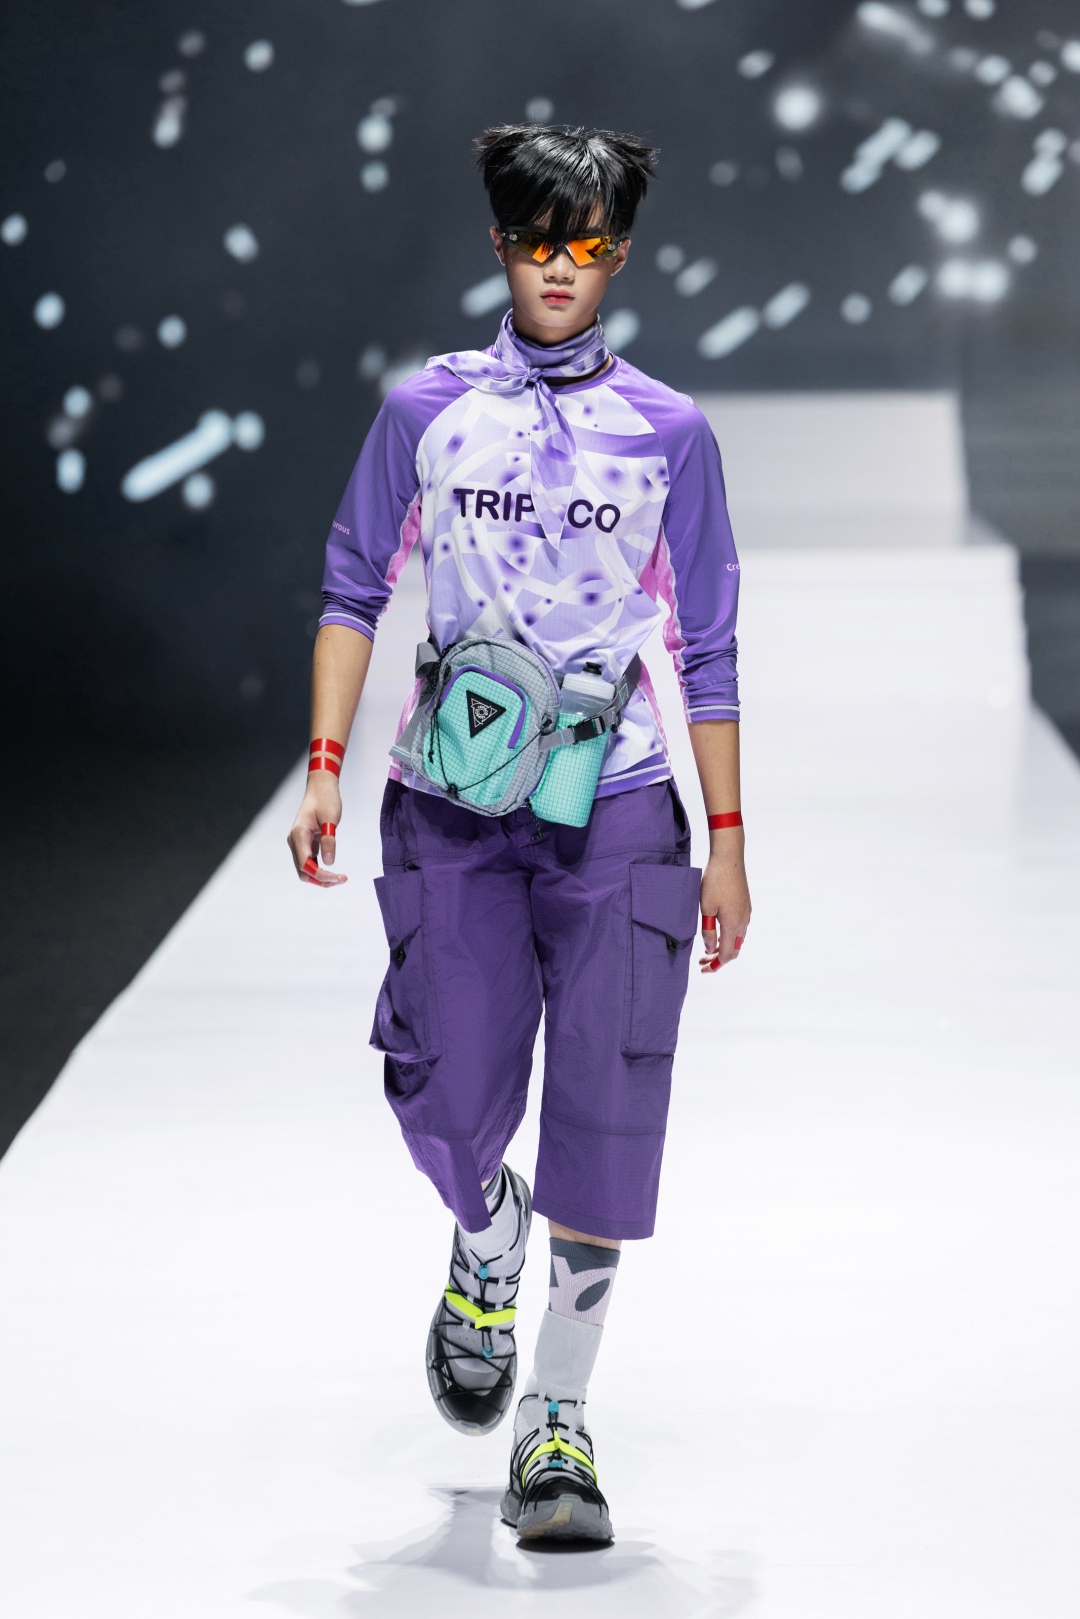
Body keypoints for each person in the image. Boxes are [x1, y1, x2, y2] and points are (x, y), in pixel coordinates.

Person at [288, 124, 751, 1544]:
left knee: (608, 1106)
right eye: (540, 241)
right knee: (438, 1084)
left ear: (620, 253)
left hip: (617, 807)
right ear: (501, 241)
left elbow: (710, 644)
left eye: (589, 245)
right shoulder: (424, 410)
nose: (562, 268)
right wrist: (323, 765)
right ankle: (485, 1235)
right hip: (451, 803)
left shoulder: (670, 432)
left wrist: (728, 837)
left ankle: (557, 1418)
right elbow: (354, 585)